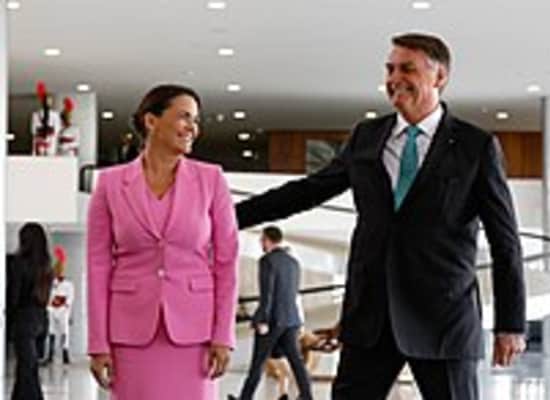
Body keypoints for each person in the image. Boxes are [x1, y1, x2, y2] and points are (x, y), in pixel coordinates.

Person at [236, 32, 526, 400]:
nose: (394, 78)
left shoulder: (475, 146)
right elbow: (308, 191)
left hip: (443, 319)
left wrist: (511, 324)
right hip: (370, 318)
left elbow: (505, 241)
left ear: (440, 77)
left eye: (407, 69)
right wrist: (229, 217)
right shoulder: (367, 136)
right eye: (390, 69)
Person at [87, 84, 239, 400]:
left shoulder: (211, 179)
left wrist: (223, 335)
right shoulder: (110, 184)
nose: (192, 128)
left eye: (196, 120)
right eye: (184, 117)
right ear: (151, 121)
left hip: (194, 334)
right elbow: (97, 267)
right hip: (129, 333)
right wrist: (98, 343)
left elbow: (226, 263)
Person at [229, 226, 313, 400]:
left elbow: (267, 293)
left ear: (267, 240)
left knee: (258, 363)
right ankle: (307, 396)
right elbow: (293, 294)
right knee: (296, 362)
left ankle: (245, 398)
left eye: (262, 240)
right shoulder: (294, 262)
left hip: (273, 320)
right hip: (291, 320)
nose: (261, 244)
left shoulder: (267, 261)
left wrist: (262, 319)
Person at [7, 222, 54, 400]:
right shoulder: (46, 265)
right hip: (41, 319)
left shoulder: (18, 263)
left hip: (23, 319)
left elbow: (14, 295)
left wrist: (9, 318)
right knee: (30, 367)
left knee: (26, 369)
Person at [46, 246, 75, 364]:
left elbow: (70, 298)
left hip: (63, 310)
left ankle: (65, 353)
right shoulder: (51, 283)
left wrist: (66, 307)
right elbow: (49, 296)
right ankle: (50, 354)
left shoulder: (68, 284)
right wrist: (49, 306)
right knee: (51, 331)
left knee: (65, 332)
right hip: (52, 309)